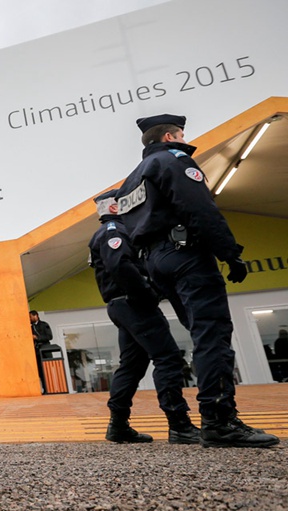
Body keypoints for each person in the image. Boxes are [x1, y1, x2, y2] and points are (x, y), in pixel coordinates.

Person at [114, 113, 279, 448]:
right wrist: (230, 252)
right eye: (182, 134)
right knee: (212, 333)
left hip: (157, 260)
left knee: (202, 333)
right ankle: (219, 420)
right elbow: (200, 208)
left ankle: (213, 417)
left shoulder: (130, 181)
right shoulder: (174, 161)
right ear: (172, 137)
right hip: (186, 254)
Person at [88, 190, 200, 444]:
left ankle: (118, 426)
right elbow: (120, 266)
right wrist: (147, 295)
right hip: (134, 304)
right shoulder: (114, 231)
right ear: (115, 208)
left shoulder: (111, 231)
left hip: (123, 305)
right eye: (127, 203)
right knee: (168, 358)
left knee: (133, 365)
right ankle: (179, 424)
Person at [29, 310, 52, 392]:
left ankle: (51, 389)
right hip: (37, 351)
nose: (29, 319)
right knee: (40, 372)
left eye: (30, 317)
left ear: (36, 316)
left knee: (48, 371)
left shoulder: (44, 325)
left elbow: (49, 336)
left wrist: (37, 338)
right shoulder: (30, 328)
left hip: (45, 350)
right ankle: (45, 389)